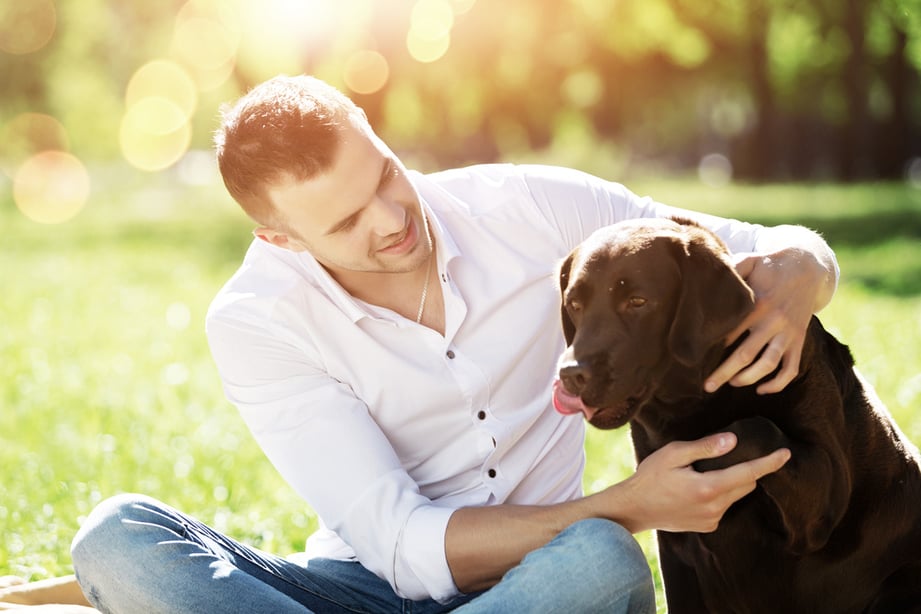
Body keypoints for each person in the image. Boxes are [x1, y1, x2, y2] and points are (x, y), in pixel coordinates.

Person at [70, 74, 838, 613]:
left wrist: (806, 267)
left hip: (547, 584)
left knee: (600, 563)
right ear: (281, 238)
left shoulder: (529, 207)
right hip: (355, 591)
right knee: (117, 538)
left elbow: (758, 246)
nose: (388, 220)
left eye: (383, 177)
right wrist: (631, 504)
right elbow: (401, 546)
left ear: (378, 137)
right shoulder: (256, 320)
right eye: (342, 223)